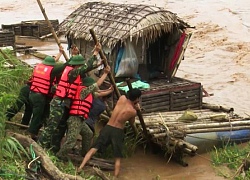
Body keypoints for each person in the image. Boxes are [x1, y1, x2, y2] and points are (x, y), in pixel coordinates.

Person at [38, 43, 102, 150]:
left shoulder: (70, 70)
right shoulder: (72, 72)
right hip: (59, 103)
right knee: (52, 126)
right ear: (77, 66)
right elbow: (86, 68)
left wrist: (96, 64)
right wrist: (95, 53)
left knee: (60, 128)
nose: (81, 67)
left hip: (64, 104)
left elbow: (85, 69)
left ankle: (54, 148)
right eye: (80, 65)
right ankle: (40, 146)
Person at [77, 88, 142, 178]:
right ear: (137, 99)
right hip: (118, 131)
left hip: (107, 127)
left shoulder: (122, 98)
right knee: (117, 157)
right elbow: (131, 123)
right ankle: (115, 178)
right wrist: (137, 109)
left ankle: (80, 168)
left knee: (94, 148)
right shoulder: (132, 111)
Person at [56, 65, 113, 159]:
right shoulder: (83, 91)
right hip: (75, 119)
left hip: (81, 120)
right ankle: (59, 156)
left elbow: (99, 93)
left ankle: (84, 154)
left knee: (88, 134)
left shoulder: (87, 93)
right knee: (71, 141)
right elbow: (97, 85)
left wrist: (109, 90)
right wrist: (105, 74)